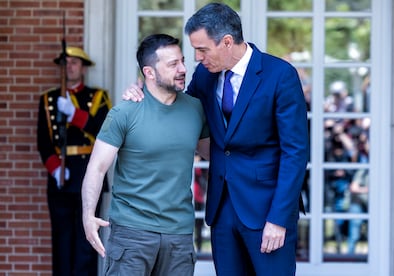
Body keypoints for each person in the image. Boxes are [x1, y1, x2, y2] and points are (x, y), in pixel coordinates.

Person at [123, 3, 309, 275]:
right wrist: (141, 94)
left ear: (227, 42)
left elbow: (295, 152)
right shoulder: (205, 75)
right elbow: (178, 107)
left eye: (202, 49)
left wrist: (279, 219)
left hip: (267, 210)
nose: (197, 58)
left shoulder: (280, 75)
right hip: (222, 210)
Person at [81, 34, 209, 276]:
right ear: (149, 73)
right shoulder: (124, 112)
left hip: (179, 235)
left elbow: (214, 152)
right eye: (173, 64)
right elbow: (96, 168)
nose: (183, 69)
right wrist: (88, 216)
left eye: (182, 61)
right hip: (132, 234)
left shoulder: (195, 109)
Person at [37, 47, 112, 276]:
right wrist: (54, 167)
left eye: (74, 62)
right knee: (61, 240)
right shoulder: (49, 99)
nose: (69, 66)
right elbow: (43, 140)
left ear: (83, 67)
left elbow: (104, 130)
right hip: (60, 177)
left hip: (87, 172)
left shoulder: (98, 97)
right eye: (65, 62)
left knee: (85, 240)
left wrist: (74, 114)